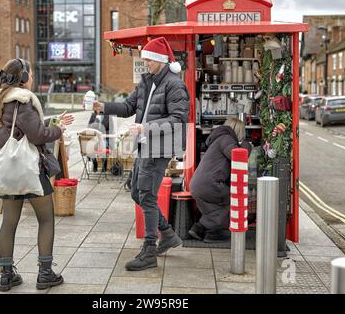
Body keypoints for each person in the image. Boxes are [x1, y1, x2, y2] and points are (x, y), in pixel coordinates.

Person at [93, 37, 189, 271]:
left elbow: (178, 120)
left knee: (146, 195)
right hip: (145, 145)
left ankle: (149, 251)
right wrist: (103, 107)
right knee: (137, 192)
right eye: (144, 58)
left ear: (159, 60)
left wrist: (145, 128)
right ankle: (167, 233)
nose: (144, 62)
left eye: (148, 58)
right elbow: (128, 107)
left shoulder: (174, 84)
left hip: (159, 148)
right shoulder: (147, 82)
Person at [0, 58, 74, 292]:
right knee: (46, 219)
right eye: (31, 73)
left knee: (9, 223)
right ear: (24, 76)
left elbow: (20, 129)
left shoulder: (1, 100)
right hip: (30, 171)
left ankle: (6, 276)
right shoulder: (23, 101)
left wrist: (50, 122)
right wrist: (58, 130)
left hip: (8, 172)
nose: (33, 77)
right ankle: (45, 273)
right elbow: (37, 136)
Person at [189, 118, 252, 243]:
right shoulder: (226, 139)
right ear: (239, 131)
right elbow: (237, 156)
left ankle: (198, 229)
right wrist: (247, 145)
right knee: (234, 198)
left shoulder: (219, 139)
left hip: (197, 185)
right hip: (210, 185)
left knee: (212, 210)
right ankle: (214, 234)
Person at [83, 91, 111, 172]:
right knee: (90, 146)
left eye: (99, 107)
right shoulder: (93, 115)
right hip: (95, 138)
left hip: (104, 137)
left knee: (103, 145)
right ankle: (94, 163)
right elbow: (89, 126)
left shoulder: (107, 116)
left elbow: (108, 127)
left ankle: (104, 164)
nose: (97, 109)